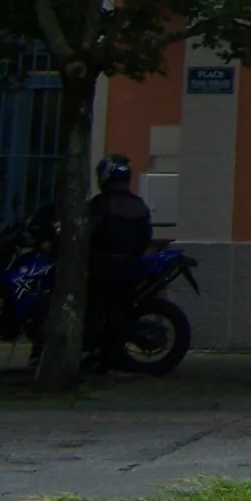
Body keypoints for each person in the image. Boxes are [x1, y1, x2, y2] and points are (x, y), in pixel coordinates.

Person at [85, 155, 152, 363]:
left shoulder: (100, 204)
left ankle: (95, 349)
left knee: (94, 307)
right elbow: (145, 238)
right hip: (130, 267)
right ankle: (112, 352)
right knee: (120, 308)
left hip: (103, 267)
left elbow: (88, 234)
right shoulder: (140, 205)